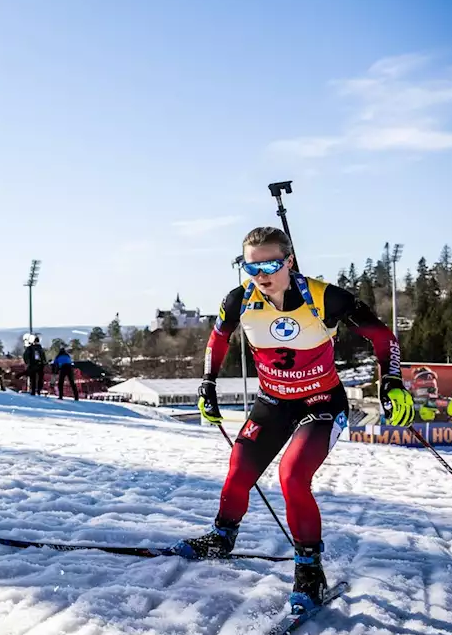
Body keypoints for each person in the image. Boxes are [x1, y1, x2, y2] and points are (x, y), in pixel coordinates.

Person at [174, 226, 413, 613]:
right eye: (250, 267)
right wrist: (207, 383)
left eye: (270, 264)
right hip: (273, 402)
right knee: (238, 471)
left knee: (292, 475)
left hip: (321, 403)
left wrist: (391, 382)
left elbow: (383, 336)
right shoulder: (238, 300)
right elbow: (217, 340)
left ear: (288, 261)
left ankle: (309, 571)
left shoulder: (325, 298)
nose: (261, 275)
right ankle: (221, 537)